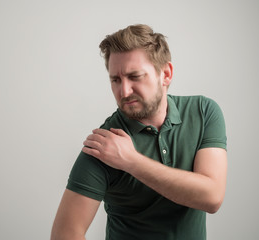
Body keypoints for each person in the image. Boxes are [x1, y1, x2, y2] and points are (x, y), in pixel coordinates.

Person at [51, 24, 227, 240]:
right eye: (115, 80)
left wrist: (131, 161)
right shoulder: (105, 145)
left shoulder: (203, 112)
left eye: (135, 76)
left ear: (166, 74)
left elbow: (211, 197)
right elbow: (65, 233)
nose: (124, 91)